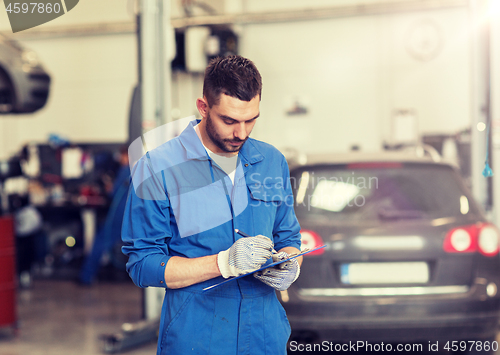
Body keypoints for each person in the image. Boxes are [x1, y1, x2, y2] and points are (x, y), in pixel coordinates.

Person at [121, 55, 302, 355]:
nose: (241, 133)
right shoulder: (158, 168)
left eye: (251, 119)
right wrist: (222, 263)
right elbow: (142, 263)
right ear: (203, 107)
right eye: (229, 121)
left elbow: (289, 239)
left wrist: (290, 264)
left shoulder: (271, 162)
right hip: (197, 336)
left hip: (265, 335)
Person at [79, 147, 130, 285]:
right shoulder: (140, 170)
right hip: (131, 215)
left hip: (118, 214)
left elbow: (113, 192)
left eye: (122, 156)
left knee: (100, 242)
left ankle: (86, 277)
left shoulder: (126, 170)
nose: (120, 159)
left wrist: (108, 186)